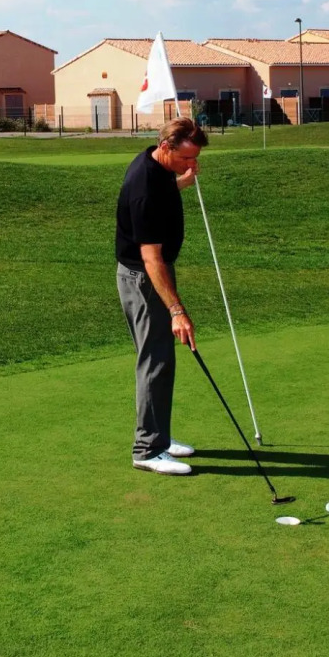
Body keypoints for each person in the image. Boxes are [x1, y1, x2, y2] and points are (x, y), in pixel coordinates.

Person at [115, 116, 207, 475]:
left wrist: (181, 181)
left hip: (152, 275)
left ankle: (160, 439)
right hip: (144, 279)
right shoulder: (144, 187)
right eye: (185, 159)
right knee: (154, 361)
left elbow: (165, 189)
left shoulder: (155, 166)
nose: (191, 164)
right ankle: (147, 449)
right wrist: (176, 310)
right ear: (166, 147)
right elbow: (151, 260)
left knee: (163, 360)